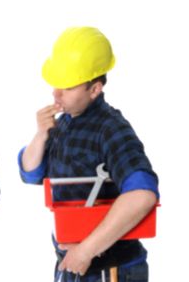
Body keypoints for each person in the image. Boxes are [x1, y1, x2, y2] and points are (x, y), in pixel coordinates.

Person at [18, 27, 159, 281]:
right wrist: (40, 135)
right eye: (56, 83)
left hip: (111, 269)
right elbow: (29, 173)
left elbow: (143, 194)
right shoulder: (63, 124)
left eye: (67, 87)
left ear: (94, 89)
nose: (55, 93)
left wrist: (86, 251)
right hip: (72, 264)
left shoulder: (111, 129)